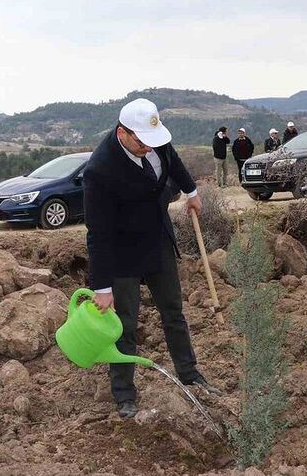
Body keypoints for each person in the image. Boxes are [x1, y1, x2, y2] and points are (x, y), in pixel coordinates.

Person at [84, 98, 221, 419]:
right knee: (125, 326)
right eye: (143, 142)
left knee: (174, 311)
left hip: (157, 239)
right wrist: (101, 286)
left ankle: (189, 373)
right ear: (123, 134)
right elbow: (98, 233)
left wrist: (191, 192)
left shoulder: (154, 142)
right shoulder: (99, 171)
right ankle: (123, 394)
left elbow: (173, 160)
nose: (150, 147)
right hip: (121, 253)